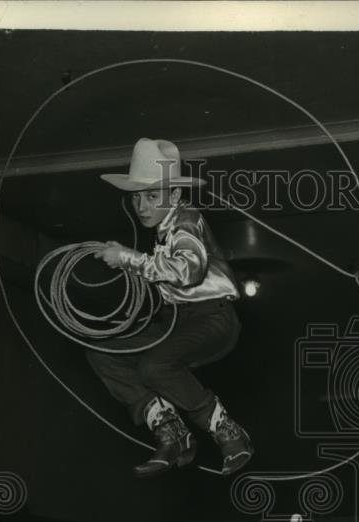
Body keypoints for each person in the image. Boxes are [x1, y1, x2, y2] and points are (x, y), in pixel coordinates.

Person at [89, 137, 253, 478]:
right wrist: (127, 260)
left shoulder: (186, 220)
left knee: (154, 366)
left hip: (213, 316)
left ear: (175, 196)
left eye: (152, 196)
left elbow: (188, 270)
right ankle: (169, 430)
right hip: (178, 321)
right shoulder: (163, 230)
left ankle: (228, 432)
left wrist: (129, 259)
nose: (142, 206)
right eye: (137, 197)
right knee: (103, 352)